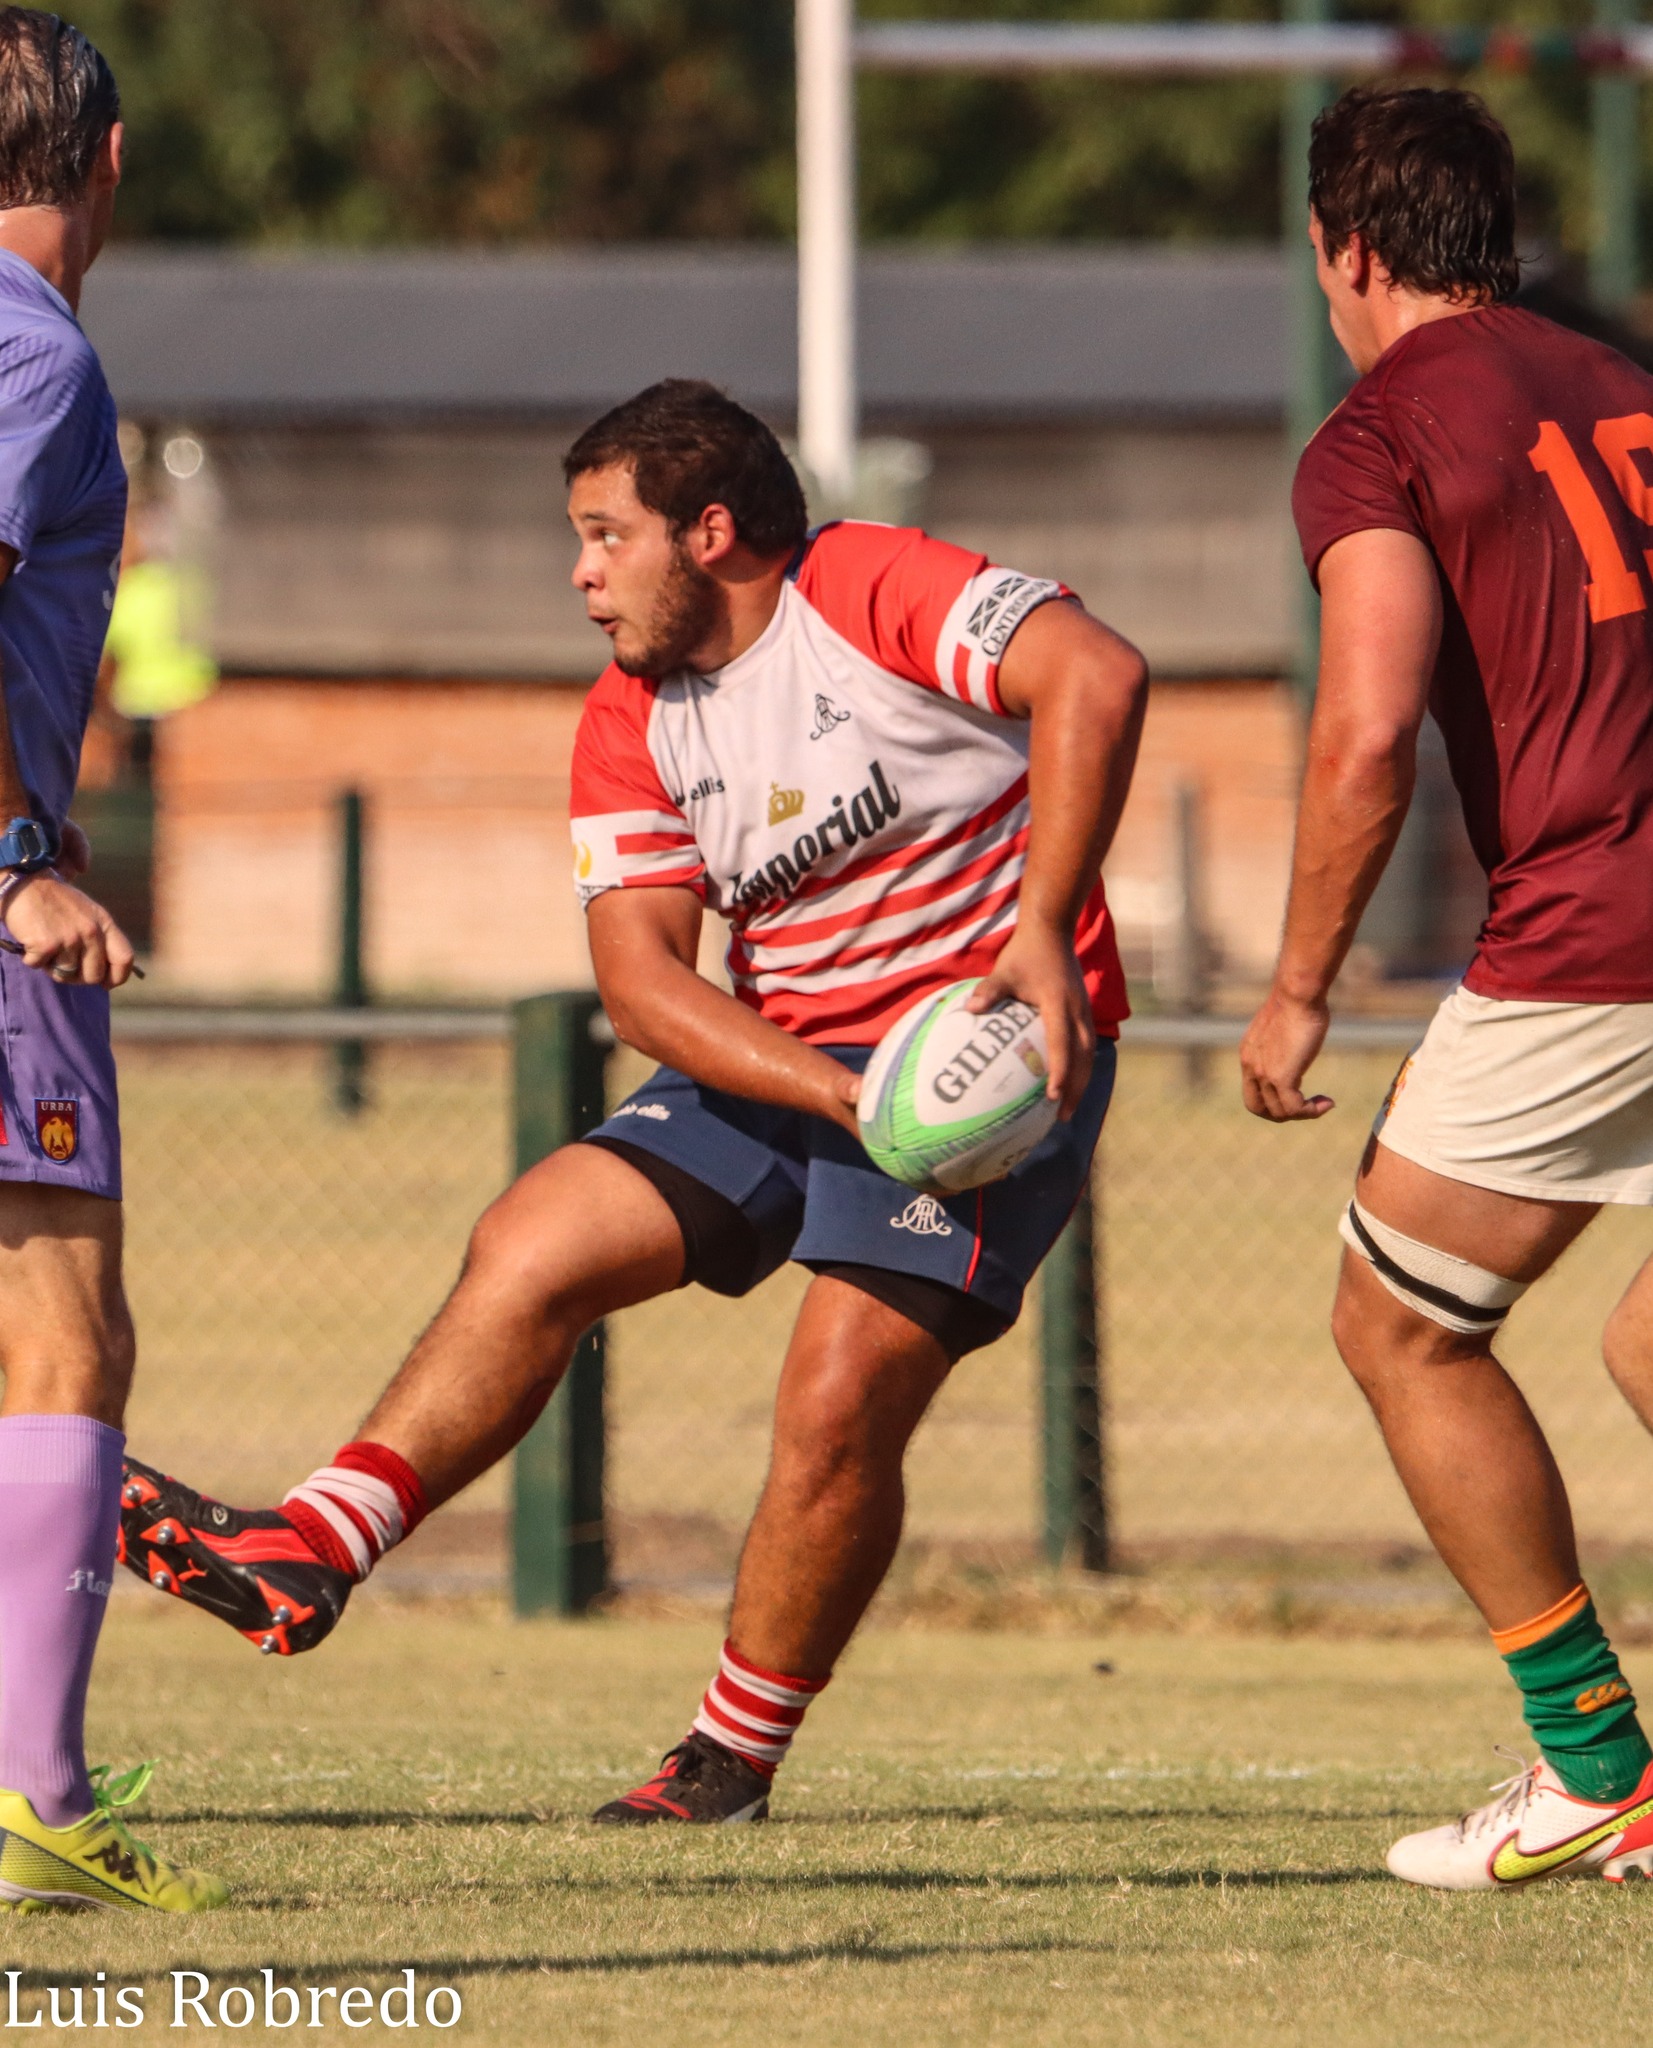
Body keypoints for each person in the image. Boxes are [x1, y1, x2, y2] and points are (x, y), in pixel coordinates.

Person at [119, 376, 1148, 1822]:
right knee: (534, 1241)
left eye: (605, 536)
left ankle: (728, 1758)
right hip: (797, 1057)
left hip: (983, 1074)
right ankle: (317, 1543)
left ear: (710, 530)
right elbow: (648, 989)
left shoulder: (861, 586)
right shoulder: (629, 719)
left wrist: (1040, 927)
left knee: (837, 1402)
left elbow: (1094, 675)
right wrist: (838, 1095)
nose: (579, 572)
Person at [1241, 83, 1653, 1889]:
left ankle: (1594, 1772)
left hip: (1597, 932)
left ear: (1343, 246)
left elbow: (1363, 736)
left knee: (1398, 1323)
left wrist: (1296, 987)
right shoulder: (1630, 383)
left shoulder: (1376, 430)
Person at [0, 9, 224, 1911]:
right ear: (112, 160)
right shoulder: (30, 348)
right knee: (64, 1330)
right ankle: (40, 1803)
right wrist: (15, 860)